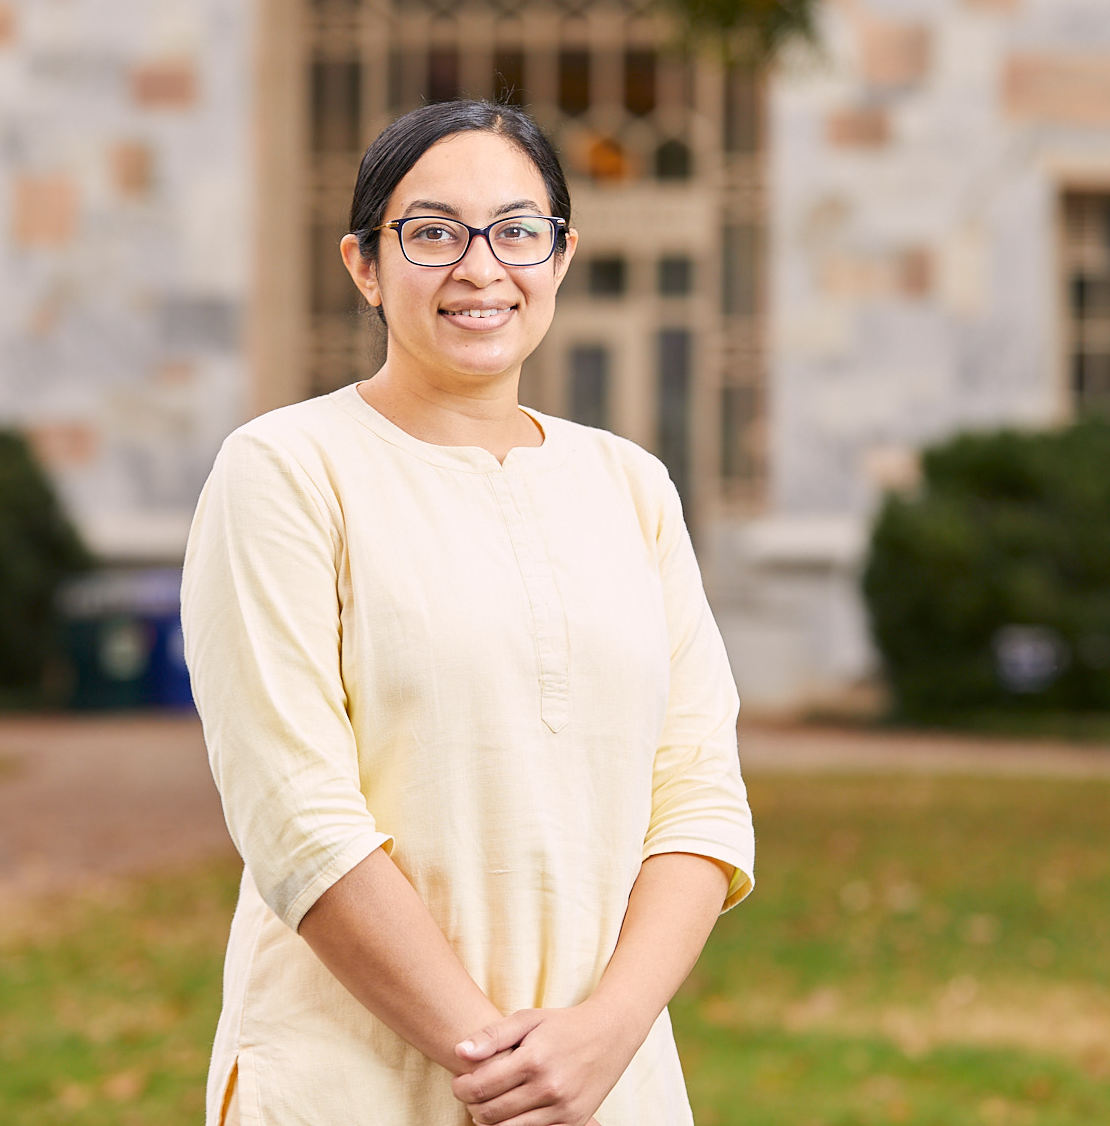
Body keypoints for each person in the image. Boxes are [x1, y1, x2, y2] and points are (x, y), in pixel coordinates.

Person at [181, 98, 755, 1126]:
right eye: (433, 232)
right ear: (364, 263)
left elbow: (700, 798)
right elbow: (297, 817)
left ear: (562, 255)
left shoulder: (631, 486)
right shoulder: (286, 470)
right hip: (352, 1082)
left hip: (608, 1086)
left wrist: (606, 1034)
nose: (481, 267)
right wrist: (503, 1065)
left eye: (517, 230)